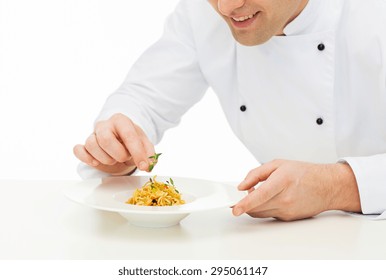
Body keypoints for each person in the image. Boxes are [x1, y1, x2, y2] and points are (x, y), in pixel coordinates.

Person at [73, 0, 386, 221]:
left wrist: (337, 187)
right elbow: (142, 98)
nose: (226, 7)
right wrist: (118, 143)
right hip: (281, 243)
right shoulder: (201, 13)